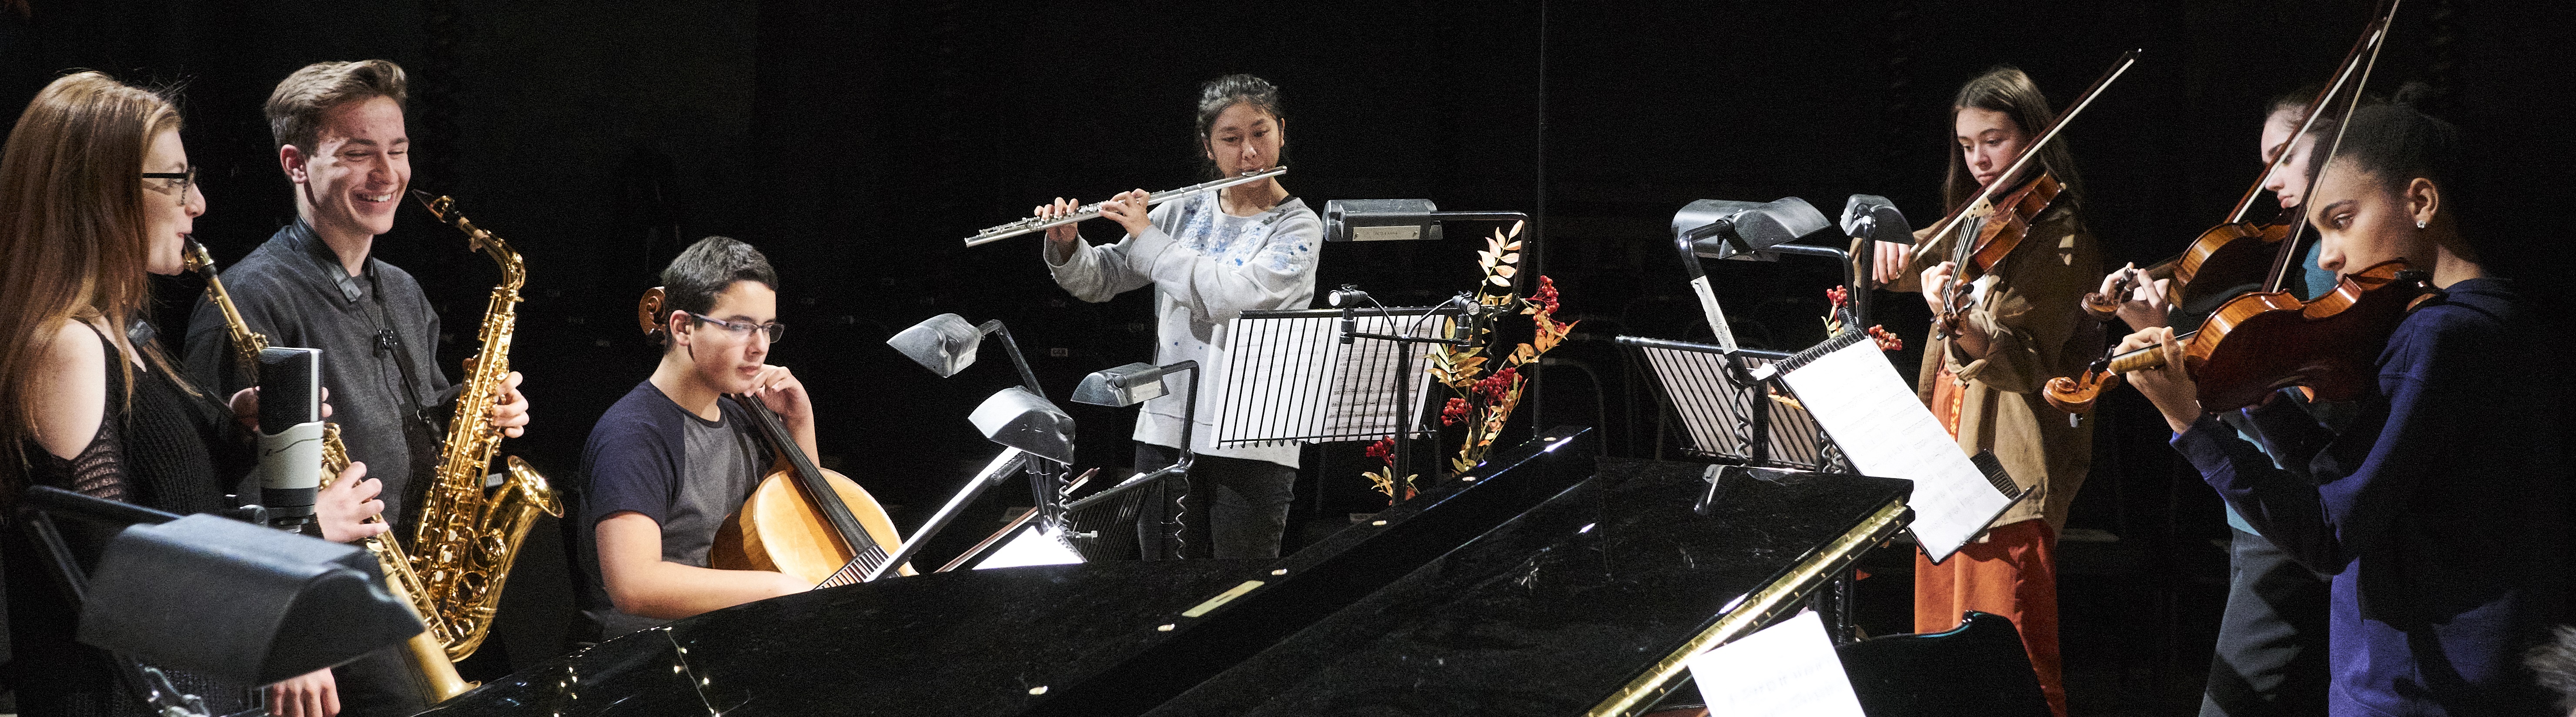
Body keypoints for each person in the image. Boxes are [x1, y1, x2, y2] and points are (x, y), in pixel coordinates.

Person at [2123, 102, 2568, 716]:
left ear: (2420, 201)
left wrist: (2189, 423)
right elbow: (2364, 482)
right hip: (2483, 673)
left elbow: (2330, 534)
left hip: (2415, 688)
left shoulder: (2435, 338)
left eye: (2341, 221)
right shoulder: (2506, 316)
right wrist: (2266, 405)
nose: (2328, 254)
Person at [0, 71, 382, 717]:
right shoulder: (67, 347)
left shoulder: (126, 335)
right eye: (175, 180)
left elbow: (165, 504)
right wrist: (307, 534)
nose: (198, 202)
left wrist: (237, 431)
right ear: (100, 193)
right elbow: (117, 582)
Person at [178, 60, 531, 710]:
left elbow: (424, 417)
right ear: (296, 164)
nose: (388, 174)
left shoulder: (402, 288)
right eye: (358, 153)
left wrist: (481, 410)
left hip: (419, 591)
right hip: (330, 606)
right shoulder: (251, 298)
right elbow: (216, 488)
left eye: (398, 150)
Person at [2093, 85, 2368, 717]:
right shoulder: (2290, 257)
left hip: (2289, 514)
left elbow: (2314, 409)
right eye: (2266, 162)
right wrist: (2165, 327)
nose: (2271, 181)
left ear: (2336, 146)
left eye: (2286, 157)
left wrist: (2202, 379)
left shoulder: (2330, 265)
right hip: (2266, 513)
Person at [1861, 66, 2101, 717]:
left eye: (1994, 141)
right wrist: (1877, 244)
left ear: (2034, 135)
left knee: (2011, 663)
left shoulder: (2062, 236)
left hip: (2007, 472)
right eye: (1967, 145)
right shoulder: (1978, 218)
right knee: (1941, 662)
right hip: (1947, 459)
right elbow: (1893, 263)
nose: (1979, 160)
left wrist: (1959, 319)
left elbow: (2025, 364)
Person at [1037, 73, 1321, 560]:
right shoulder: (1184, 211)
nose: (1250, 152)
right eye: (1231, 139)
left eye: (1261, 133)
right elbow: (1103, 278)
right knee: (1160, 586)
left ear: (1282, 131)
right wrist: (1068, 245)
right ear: (1209, 147)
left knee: (1240, 590)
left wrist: (1149, 237)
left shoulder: (1299, 227)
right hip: (1167, 428)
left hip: (1253, 439)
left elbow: (1231, 298)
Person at [579, 236, 811, 639]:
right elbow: (634, 584)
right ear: (683, 327)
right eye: (740, 326)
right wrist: (777, 588)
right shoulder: (633, 435)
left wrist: (799, 422)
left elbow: (801, 521)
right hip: (649, 653)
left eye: (767, 328)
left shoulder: (742, 416)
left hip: (721, 639)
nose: (759, 347)